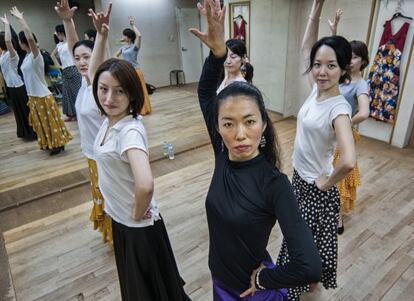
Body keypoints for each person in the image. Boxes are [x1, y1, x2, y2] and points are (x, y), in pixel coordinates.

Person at [189, 1, 322, 300]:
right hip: (219, 280)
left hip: (250, 293)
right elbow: (205, 90)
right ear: (218, 128)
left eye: (249, 122)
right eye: (228, 124)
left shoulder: (275, 184)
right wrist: (218, 53)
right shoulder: (224, 154)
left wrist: (267, 278)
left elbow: (310, 265)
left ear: (263, 124)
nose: (239, 134)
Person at [276, 0, 356, 300]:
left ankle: (296, 290)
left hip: (314, 187)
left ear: (343, 68)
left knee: (299, 245)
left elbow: (349, 160)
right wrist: (316, 7)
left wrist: (326, 182)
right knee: (308, 242)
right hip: (300, 179)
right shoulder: (316, 90)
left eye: (331, 65)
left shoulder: (338, 109)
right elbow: (306, 46)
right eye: (318, 64)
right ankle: (310, 282)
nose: (322, 71)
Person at [55, 0, 111, 243]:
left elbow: (95, 65)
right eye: (77, 58)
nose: (80, 62)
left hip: (106, 155)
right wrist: (68, 21)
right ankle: (112, 233)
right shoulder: (82, 87)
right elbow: (72, 46)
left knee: (110, 197)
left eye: (86, 57)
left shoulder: (99, 85)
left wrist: (101, 35)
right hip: (92, 155)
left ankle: (118, 232)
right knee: (100, 194)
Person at [327, 7, 370, 234]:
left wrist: (346, 123)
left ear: (363, 61)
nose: (350, 60)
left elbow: (364, 112)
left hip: (344, 135)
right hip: (332, 133)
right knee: (329, 172)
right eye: (349, 56)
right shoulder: (343, 78)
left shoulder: (360, 84)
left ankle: (338, 220)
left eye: (355, 57)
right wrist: (334, 30)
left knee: (339, 178)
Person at [10, 6, 72, 155]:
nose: (19, 43)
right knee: (42, 124)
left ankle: (57, 144)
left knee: (50, 122)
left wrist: (21, 19)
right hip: (33, 96)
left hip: (43, 96)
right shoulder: (25, 58)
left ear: (23, 42)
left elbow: (30, 38)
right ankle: (53, 143)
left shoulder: (35, 56)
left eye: (20, 40)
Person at [0, 14, 36, 140]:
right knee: (18, 112)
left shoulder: (12, 55)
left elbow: (8, 41)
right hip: (11, 87)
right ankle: (24, 132)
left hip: (18, 87)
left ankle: (32, 132)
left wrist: (6, 24)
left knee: (25, 111)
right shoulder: (2, 55)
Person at [115, 16, 151, 115]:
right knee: (130, 91)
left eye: (124, 35)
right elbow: (115, 56)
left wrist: (132, 25)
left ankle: (144, 109)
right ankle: (133, 109)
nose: (122, 37)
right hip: (127, 71)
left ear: (129, 37)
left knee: (141, 90)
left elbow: (139, 36)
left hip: (136, 71)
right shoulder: (123, 48)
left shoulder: (135, 47)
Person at [53, 23, 82, 121]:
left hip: (73, 68)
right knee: (67, 93)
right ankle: (71, 114)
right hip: (65, 70)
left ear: (61, 33)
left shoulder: (69, 42)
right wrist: (59, 66)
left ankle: (80, 113)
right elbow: (52, 55)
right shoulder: (59, 45)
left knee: (77, 91)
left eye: (57, 33)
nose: (57, 35)